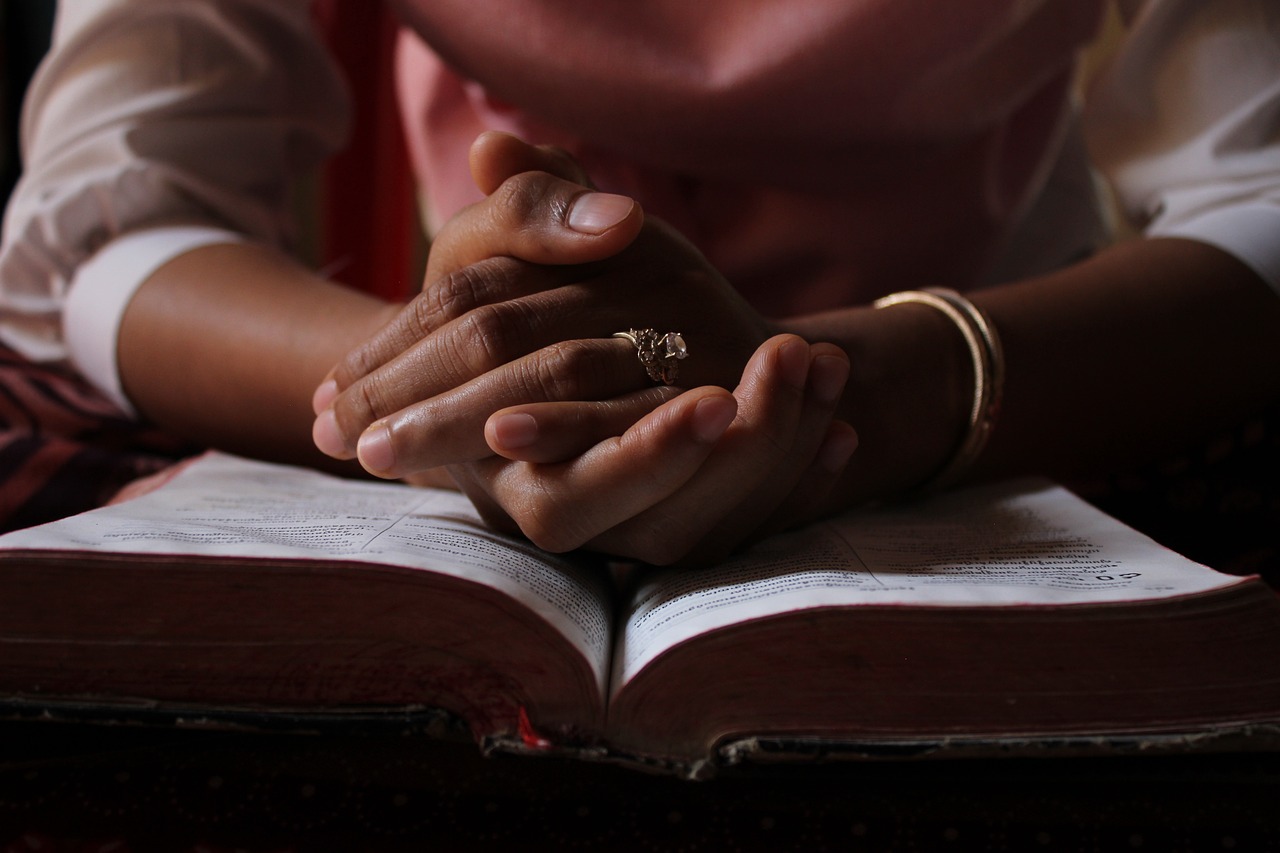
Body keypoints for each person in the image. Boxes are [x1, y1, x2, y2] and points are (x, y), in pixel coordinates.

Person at [1, 0, 1277, 565]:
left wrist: (850, 396)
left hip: (1008, 384)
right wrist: (443, 386)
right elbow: (112, 223)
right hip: (464, 399)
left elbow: (1258, 202)